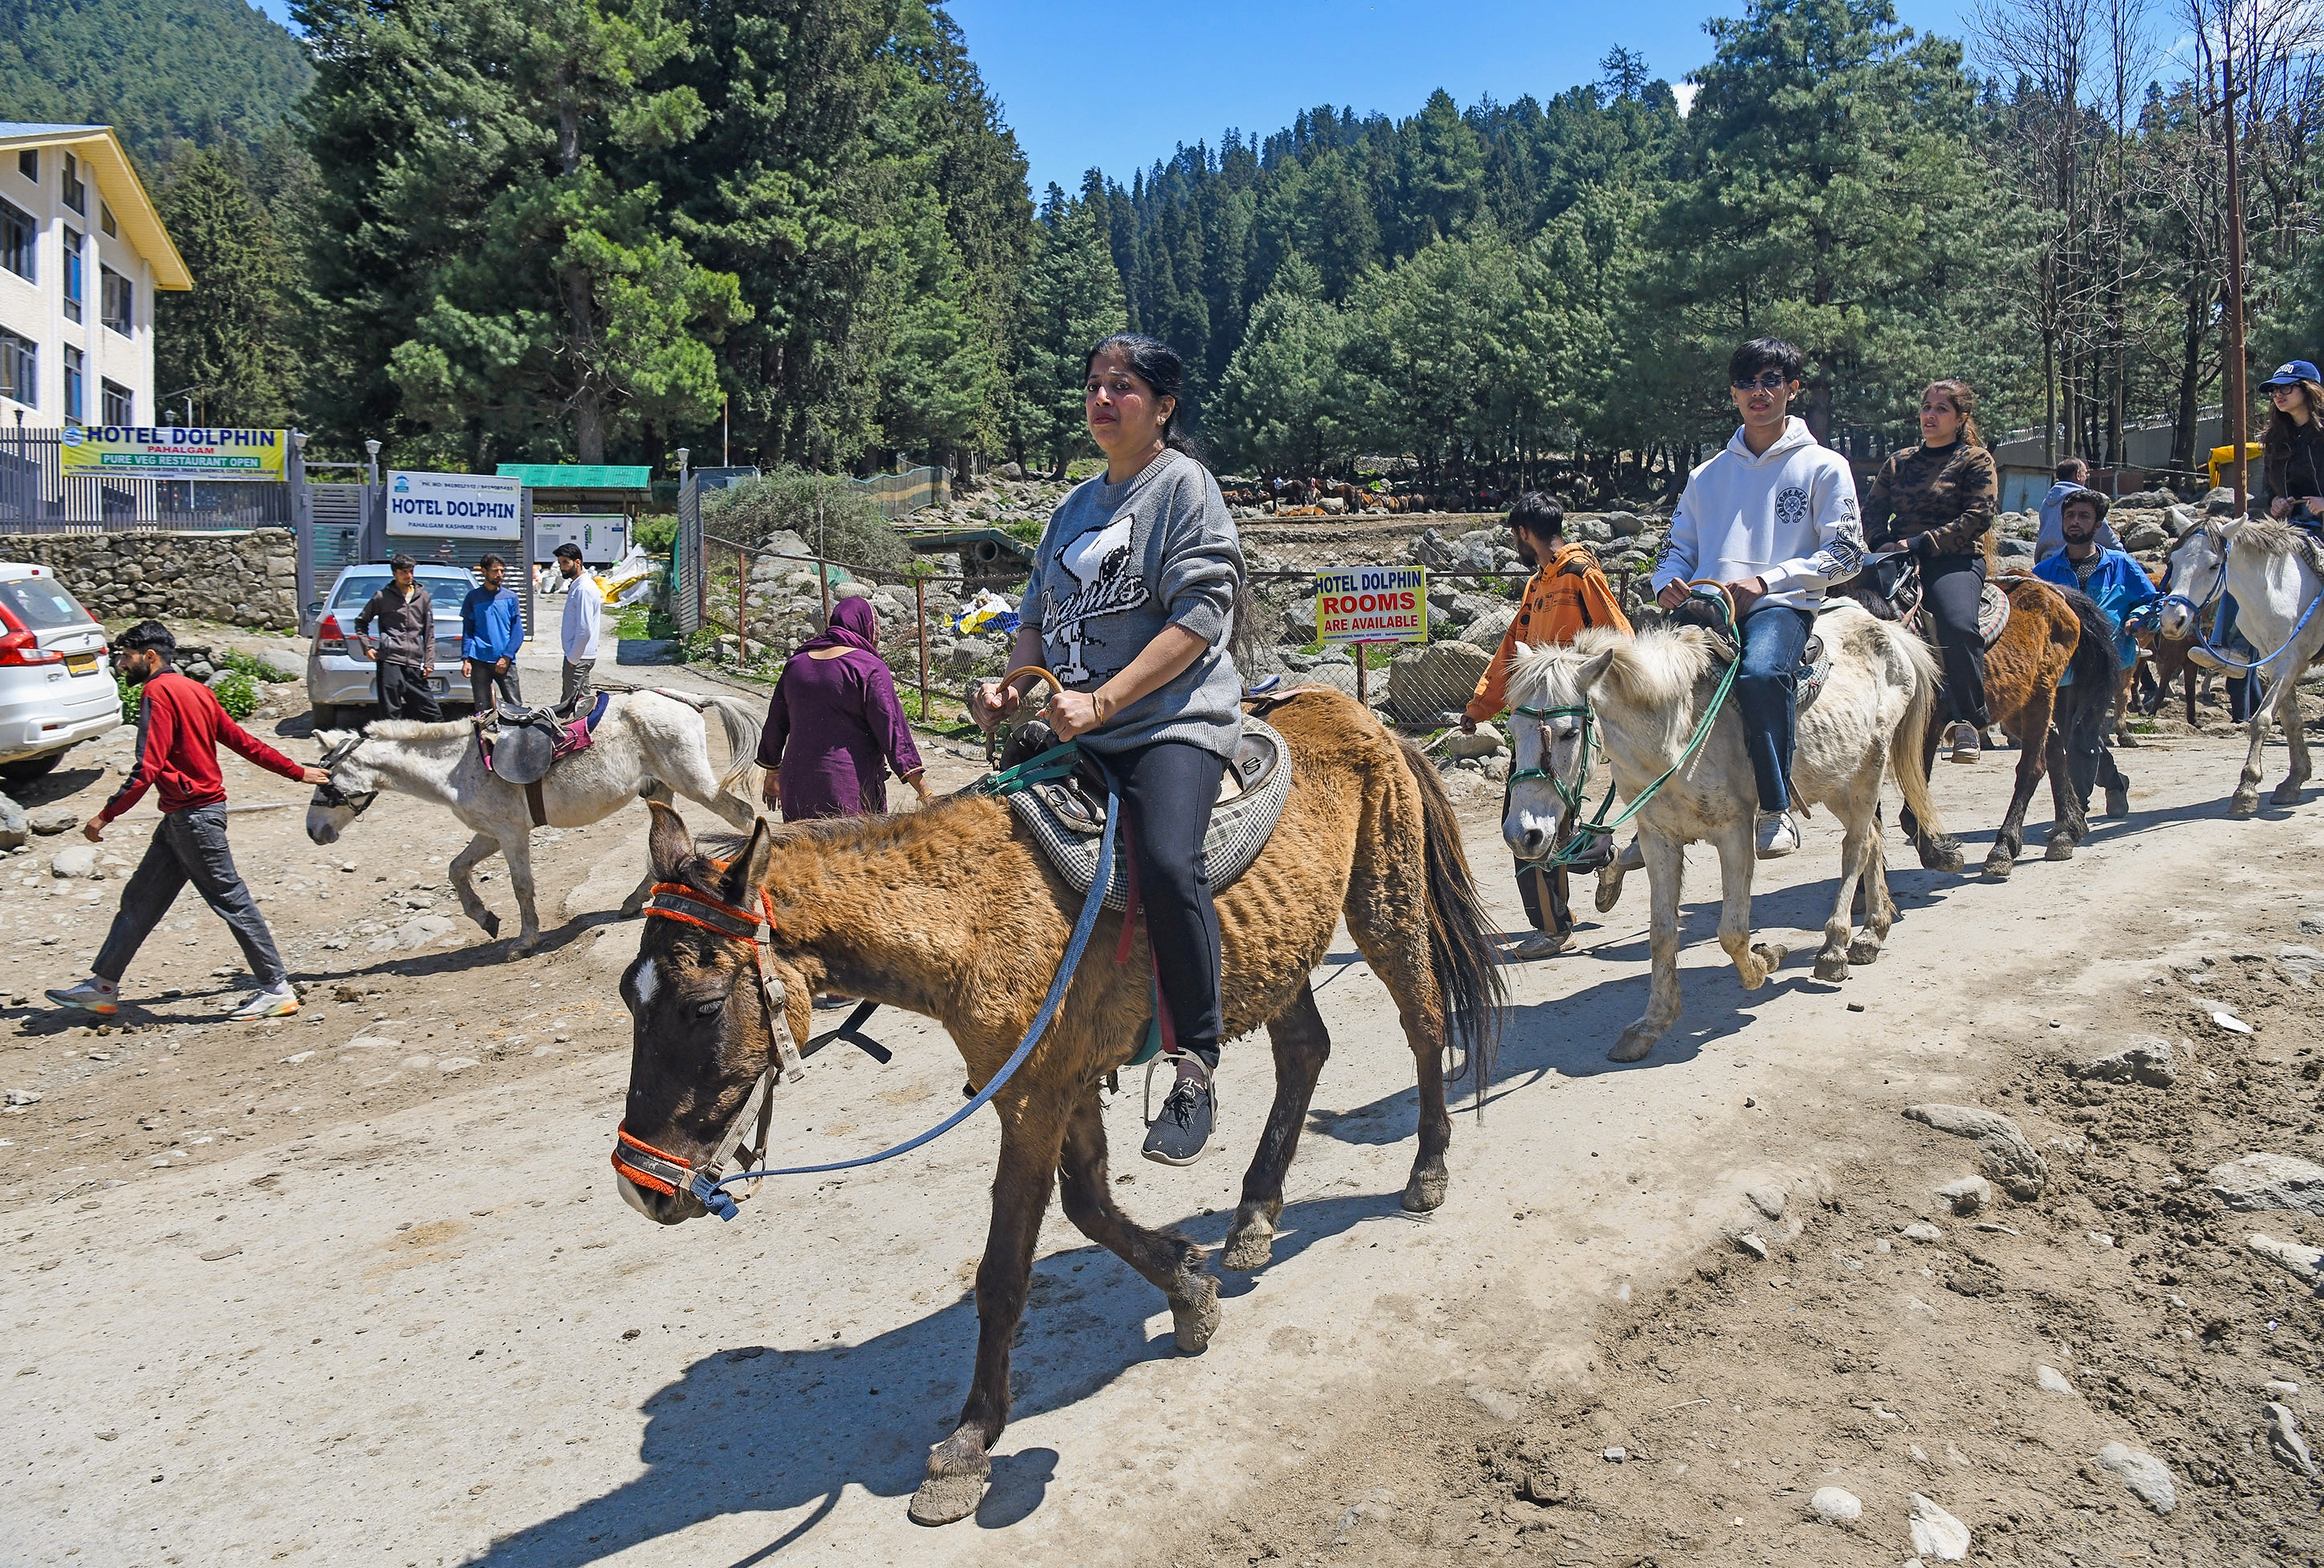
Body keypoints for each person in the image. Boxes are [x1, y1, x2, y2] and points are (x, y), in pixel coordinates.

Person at [972, 332, 1243, 1166]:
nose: (1101, 399)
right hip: (1075, 722)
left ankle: (1194, 1060)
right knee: (987, 837)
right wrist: (1012, 683)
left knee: (1166, 860)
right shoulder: (1070, 509)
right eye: (1092, 384)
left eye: (1121, 387)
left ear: (1162, 406)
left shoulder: (1183, 488)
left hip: (1169, 721)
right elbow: (1033, 620)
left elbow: (1201, 616)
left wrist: (1105, 700)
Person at [46, 622, 333, 1022]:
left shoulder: (157, 691)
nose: (121, 665)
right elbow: (243, 741)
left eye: (126, 657)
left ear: (150, 656)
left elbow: (147, 765)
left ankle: (276, 989)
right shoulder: (197, 690)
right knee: (140, 899)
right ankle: (102, 988)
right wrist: (295, 772)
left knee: (232, 901)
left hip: (193, 817)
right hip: (184, 818)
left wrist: (106, 815)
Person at [1652, 338, 1864, 860]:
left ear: (1792, 389)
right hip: (1705, 606)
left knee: (1762, 675)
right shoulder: (1706, 475)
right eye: (1746, 382)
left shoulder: (1823, 465)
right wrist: (1667, 583)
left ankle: (1774, 809)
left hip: (1782, 603)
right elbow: (1675, 548)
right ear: (1732, 393)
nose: (1758, 392)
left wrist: (1768, 581)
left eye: (1771, 381)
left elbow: (1848, 552)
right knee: (1644, 681)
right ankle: (1655, 815)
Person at [1462, 492, 1632, 958]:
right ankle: (1598, 856)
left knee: (1524, 819)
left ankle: (1553, 928)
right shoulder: (1537, 585)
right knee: (1546, 816)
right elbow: (1512, 652)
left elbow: (1618, 640)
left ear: (1522, 532)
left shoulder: (1581, 575)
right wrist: (1481, 707)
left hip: (1568, 722)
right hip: (1534, 719)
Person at [1862, 379, 1999, 766]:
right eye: (1926, 407)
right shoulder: (1899, 462)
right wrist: (1882, 541)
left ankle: (1968, 719)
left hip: (1952, 559)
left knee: (1957, 625)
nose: (1930, 415)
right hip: (1895, 558)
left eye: (1941, 409)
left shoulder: (1975, 460)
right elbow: (1871, 510)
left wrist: (1918, 543)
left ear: (1960, 419)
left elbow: (1978, 517)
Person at [2034, 486, 2155, 818]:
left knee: (2082, 735)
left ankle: (2075, 813)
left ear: (2098, 523)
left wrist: (2142, 619)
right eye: (2070, 516)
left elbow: (2152, 602)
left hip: (2107, 663)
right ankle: (2116, 783)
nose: (2075, 522)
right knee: (2074, 737)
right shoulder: (2045, 573)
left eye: (2084, 516)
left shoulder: (2121, 566)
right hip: (2061, 667)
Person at [756, 595, 929, 820]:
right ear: (865, 627)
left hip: (797, 784)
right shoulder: (868, 668)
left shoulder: (795, 665)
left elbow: (775, 725)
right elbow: (893, 733)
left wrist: (773, 772)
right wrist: (924, 790)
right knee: (850, 852)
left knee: (802, 852)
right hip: (847, 786)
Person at [352, 553, 441, 721]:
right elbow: (361, 623)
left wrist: (429, 661)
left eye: (411, 571)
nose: (408, 576)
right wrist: (367, 647)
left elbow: (429, 632)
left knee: (431, 712)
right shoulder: (382, 597)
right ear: (395, 574)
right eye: (403, 572)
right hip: (390, 661)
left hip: (414, 662)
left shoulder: (423, 597)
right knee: (390, 714)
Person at [460, 554, 525, 716]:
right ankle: (487, 740)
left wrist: (507, 656)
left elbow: (517, 631)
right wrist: (466, 659)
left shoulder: (511, 598)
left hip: (505, 661)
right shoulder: (473, 598)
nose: (500, 575)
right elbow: (468, 630)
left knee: (515, 707)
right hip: (480, 660)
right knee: (483, 709)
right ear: (484, 571)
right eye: (495, 571)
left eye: (502, 571)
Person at [2034, 457, 2122, 564]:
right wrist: (2121, 552)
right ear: (2078, 475)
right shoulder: (2085, 501)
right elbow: (2104, 535)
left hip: (2045, 562)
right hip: (2071, 562)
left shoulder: (2047, 502)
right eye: (2086, 473)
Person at [554, 542, 602, 708]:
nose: (562, 567)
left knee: (577, 707)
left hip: (579, 657)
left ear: (578, 562)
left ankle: (581, 734)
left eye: (565, 562)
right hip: (578, 655)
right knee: (569, 703)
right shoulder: (578, 586)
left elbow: (585, 629)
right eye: (560, 563)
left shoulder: (584, 589)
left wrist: (573, 659)